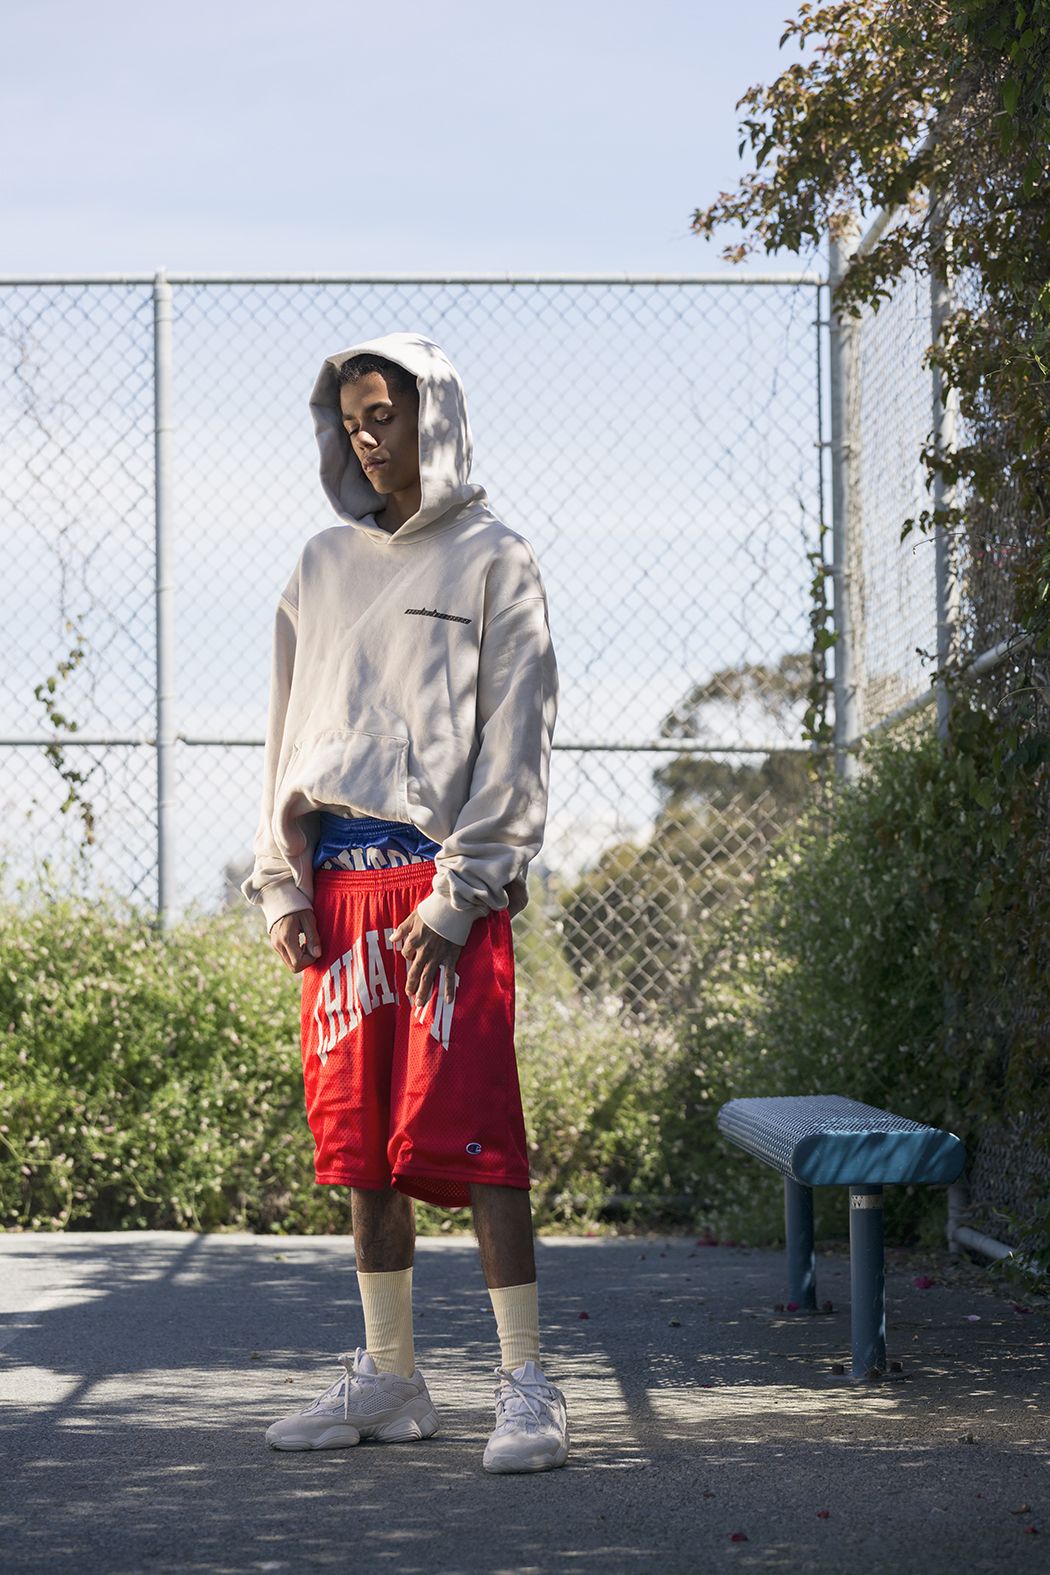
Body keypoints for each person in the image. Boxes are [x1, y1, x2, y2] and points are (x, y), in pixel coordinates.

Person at [239, 331, 567, 1474]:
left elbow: (519, 741)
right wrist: (280, 880)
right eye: (351, 421)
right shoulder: (321, 564)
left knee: (476, 1135)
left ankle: (527, 1383)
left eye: (385, 415)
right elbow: (284, 731)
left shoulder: (495, 559)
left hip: (443, 895)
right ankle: (391, 1378)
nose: (368, 439)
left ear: (437, 414)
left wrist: (460, 894)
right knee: (360, 1145)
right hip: (338, 892)